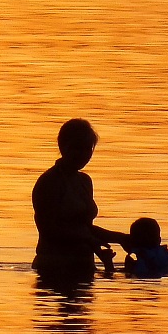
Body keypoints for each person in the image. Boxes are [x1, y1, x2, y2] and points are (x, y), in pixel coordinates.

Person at [32, 118, 130, 281]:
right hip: (53, 267)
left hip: (84, 266)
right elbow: (49, 229)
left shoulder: (84, 181)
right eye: (77, 148)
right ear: (62, 146)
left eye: (87, 148)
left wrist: (121, 238)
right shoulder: (49, 182)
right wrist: (90, 240)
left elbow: (84, 227)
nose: (83, 154)